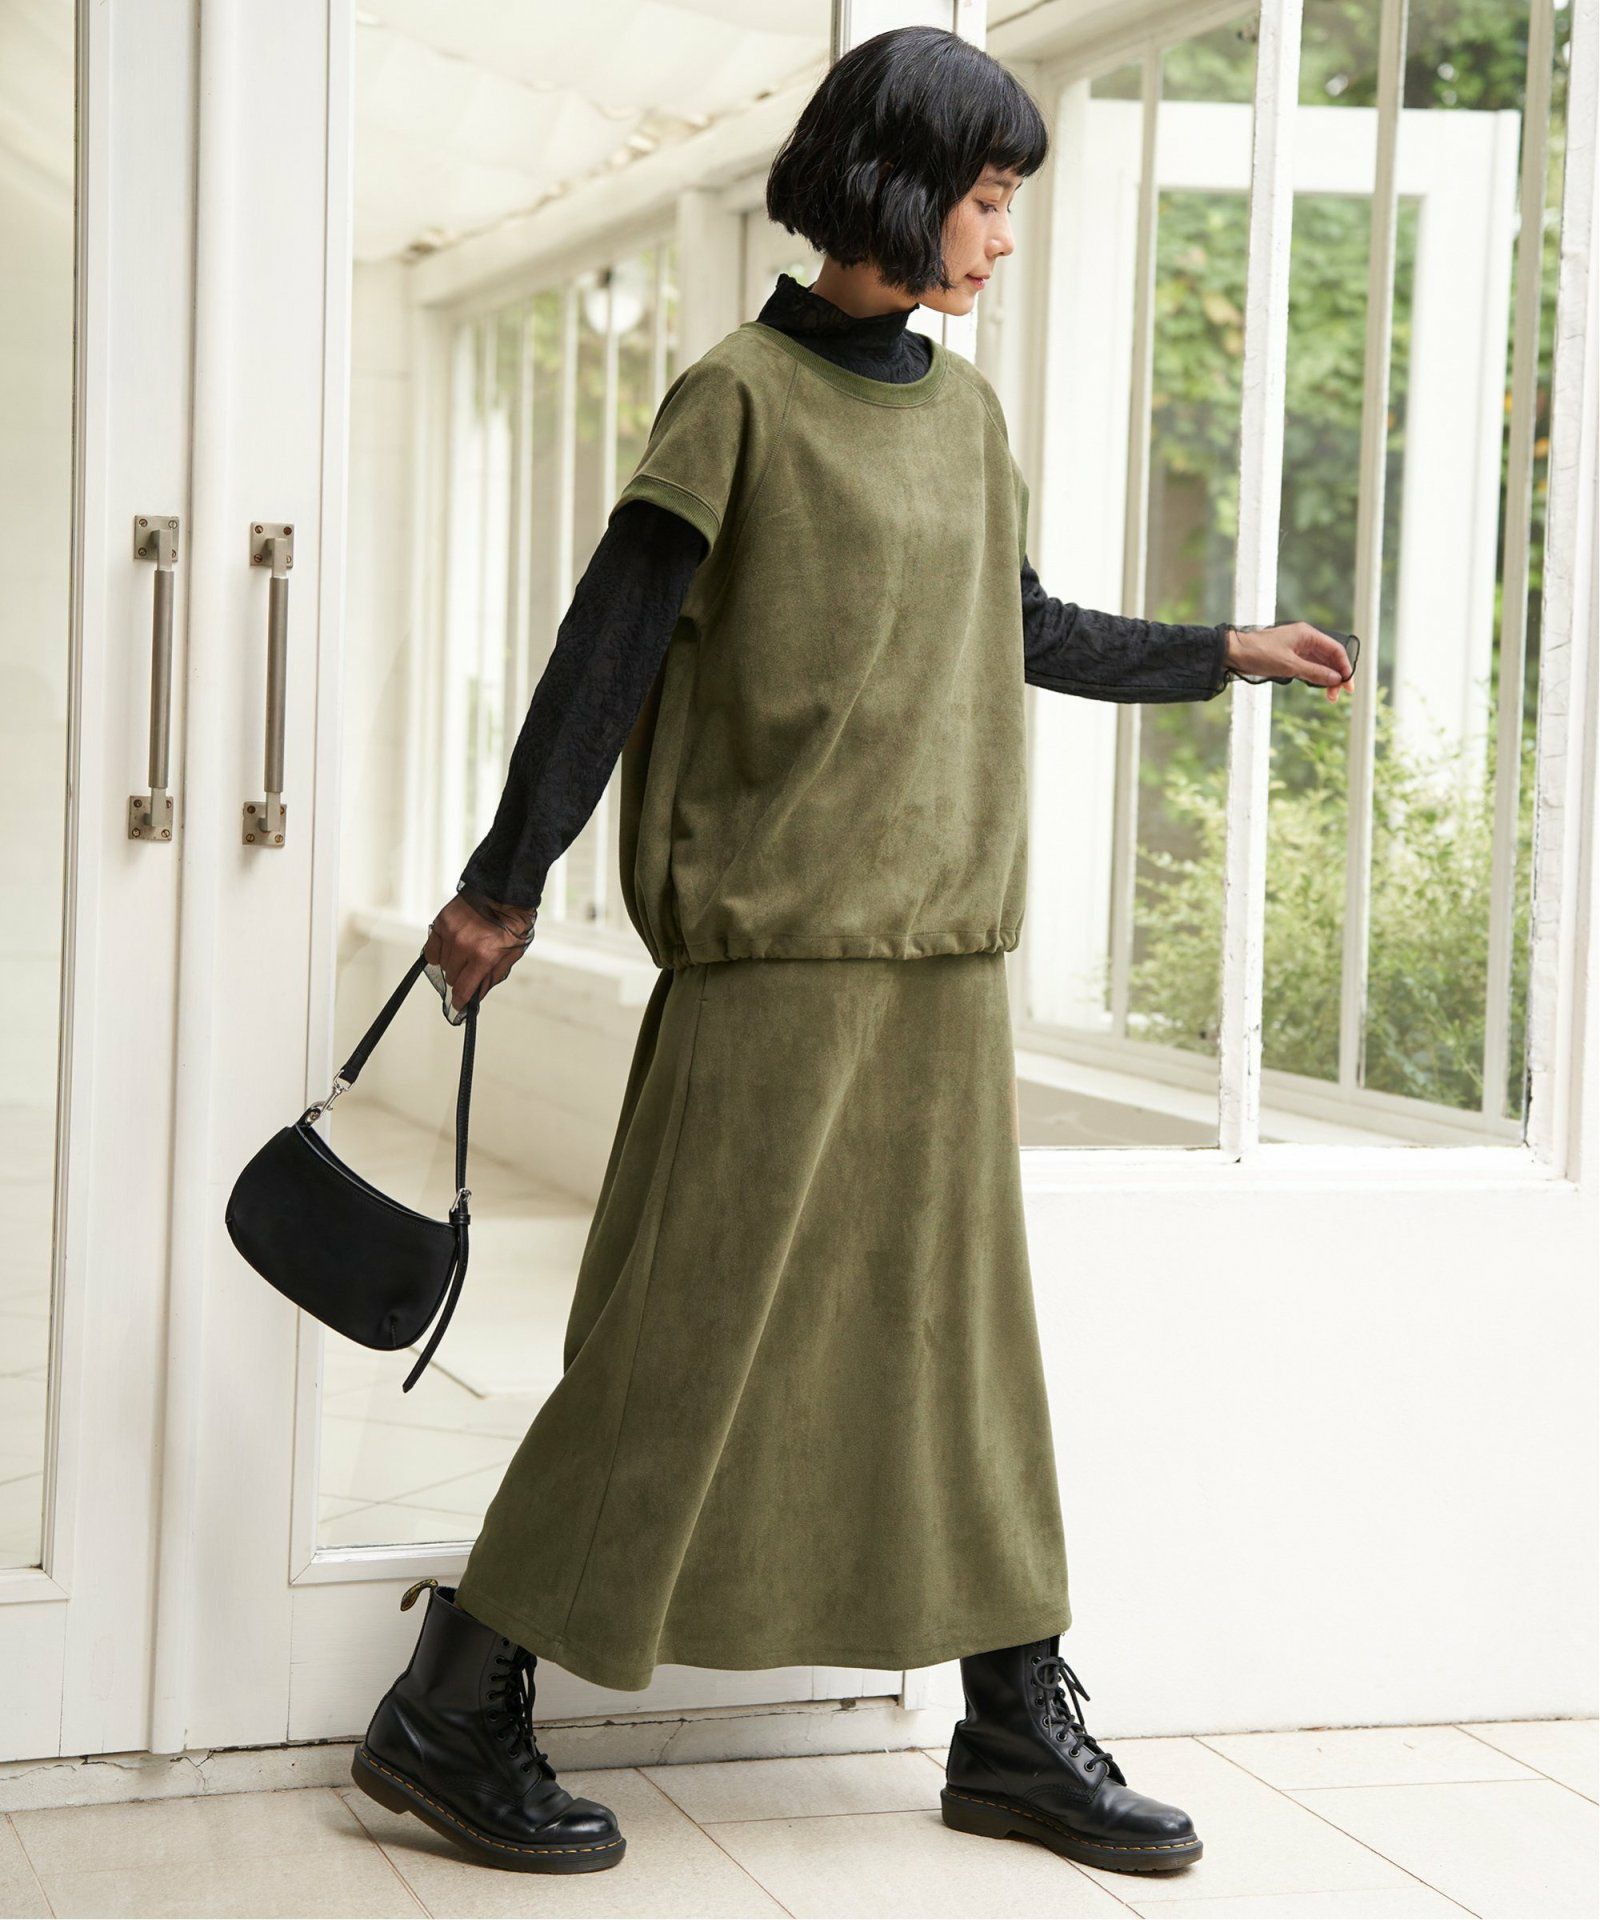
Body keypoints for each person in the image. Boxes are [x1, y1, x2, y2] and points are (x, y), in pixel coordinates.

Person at [351, 24, 1355, 1880]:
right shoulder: (733, 398)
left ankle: (1011, 1720)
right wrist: (503, 882)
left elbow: (1019, 625)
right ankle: (454, 1696)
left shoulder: (963, 418)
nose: (1002, 234)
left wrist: (1219, 650)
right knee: (680, 1337)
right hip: (778, 965)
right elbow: (606, 653)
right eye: (987, 197)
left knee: (956, 1355)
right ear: (897, 186)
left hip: (946, 960)